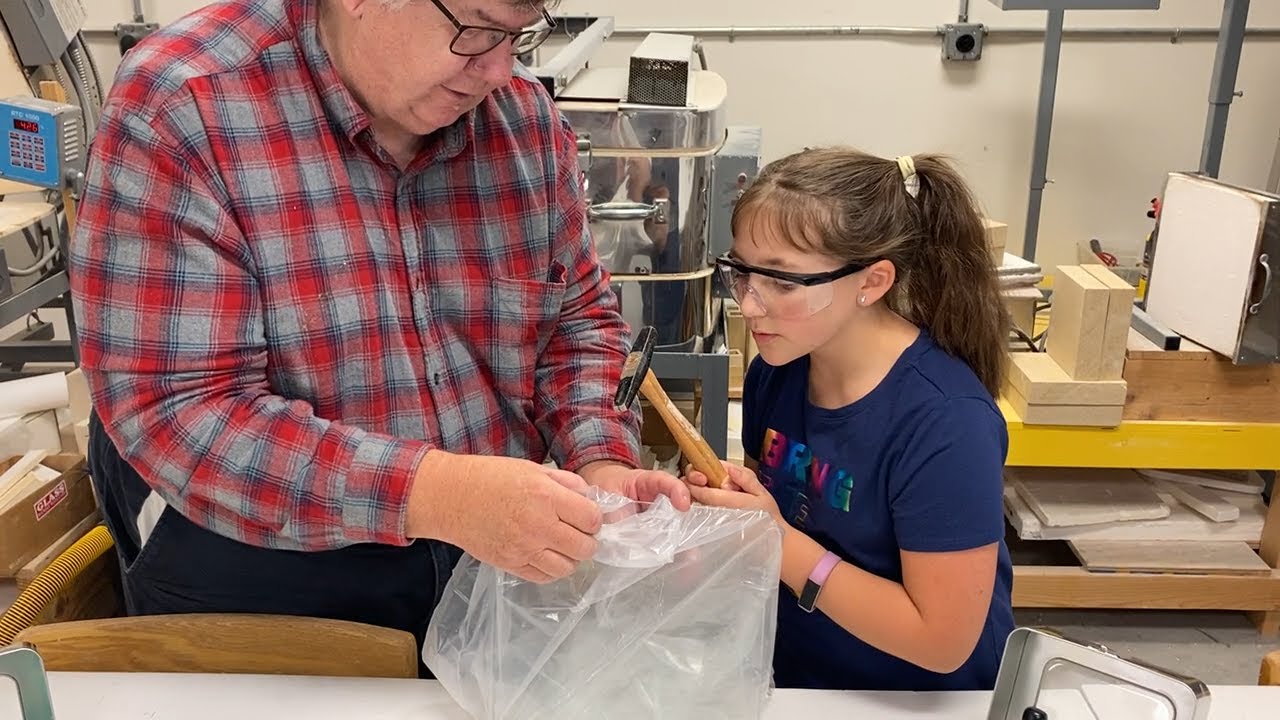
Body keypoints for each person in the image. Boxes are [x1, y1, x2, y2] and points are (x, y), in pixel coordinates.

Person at [68, 0, 688, 674]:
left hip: (480, 560)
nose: (499, 68)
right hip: (256, 569)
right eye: (475, 29)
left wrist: (601, 464)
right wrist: (440, 495)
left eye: (520, 34)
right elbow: (181, 411)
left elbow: (575, 323)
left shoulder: (521, 121)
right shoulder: (186, 108)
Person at [683, 147, 1014, 691]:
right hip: (803, 682)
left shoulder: (947, 423)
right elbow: (771, 527)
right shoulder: (779, 370)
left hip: (921, 700)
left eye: (783, 283)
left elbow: (942, 641)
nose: (751, 304)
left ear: (872, 282)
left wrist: (777, 541)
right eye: (741, 273)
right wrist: (728, 514)